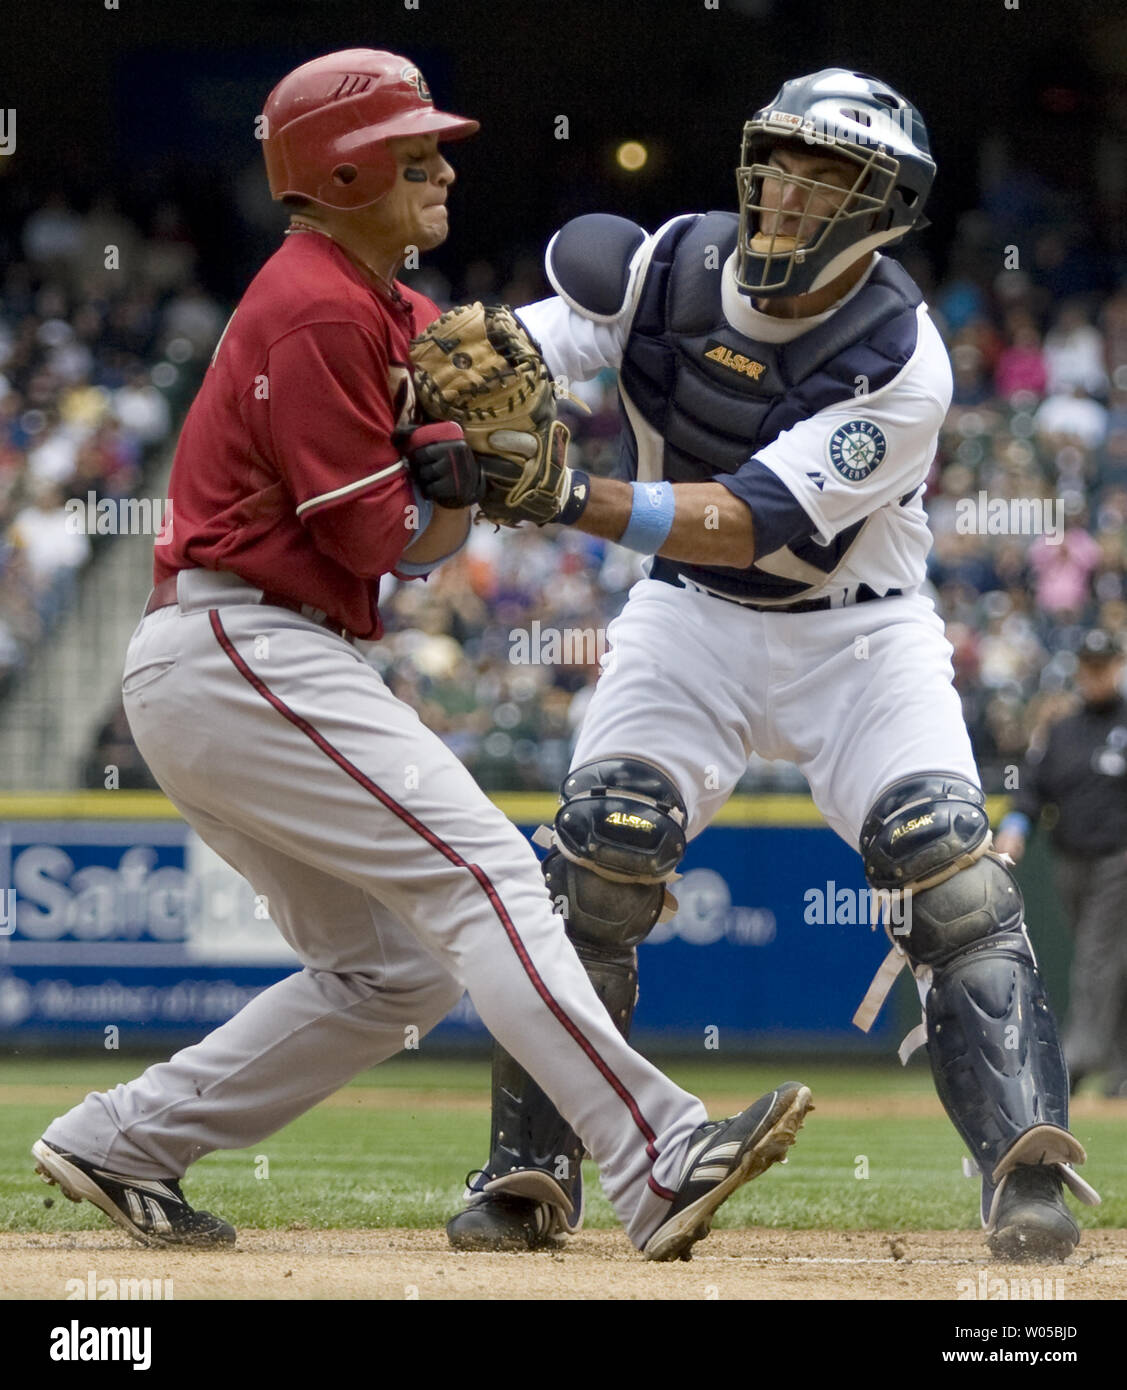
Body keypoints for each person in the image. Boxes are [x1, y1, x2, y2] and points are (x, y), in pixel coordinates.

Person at [30, 49, 812, 1265]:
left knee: (389, 971)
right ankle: (657, 1155)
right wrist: (450, 487)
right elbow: (382, 535)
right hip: (241, 643)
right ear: (340, 167)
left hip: (248, 658)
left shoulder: (389, 308)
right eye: (414, 151)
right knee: (492, 875)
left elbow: (426, 526)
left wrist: (465, 477)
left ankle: (121, 1139)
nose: (443, 167)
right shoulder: (315, 305)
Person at [419, 69, 1100, 1259]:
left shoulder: (904, 357)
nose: (790, 190)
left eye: (827, 175)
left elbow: (744, 516)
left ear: (884, 205)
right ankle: (530, 1169)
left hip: (860, 632)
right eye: (782, 161)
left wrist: (565, 492)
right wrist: (450, 405)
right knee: (599, 850)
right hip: (688, 621)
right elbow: (522, 357)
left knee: (951, 873)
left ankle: (1021, 1165)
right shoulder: (656, 266)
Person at [995, 629, 1127, 1098]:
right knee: (1109, 963)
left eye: (1104, 664)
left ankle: (1075, 1059)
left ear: (1117, 666)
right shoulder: (1064, 730)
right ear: (1078, 670)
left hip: (1119, 859)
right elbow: (1033, 787)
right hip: (1070, 858)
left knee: (1096, 957)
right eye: (1088, 665)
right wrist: (1016, 825)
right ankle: (1121, 1067)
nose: (1095, 673)